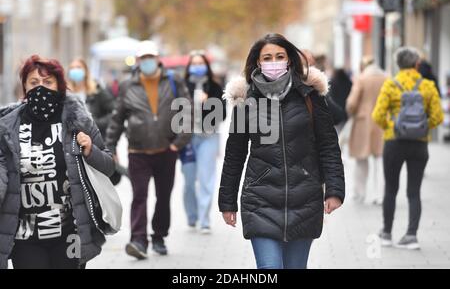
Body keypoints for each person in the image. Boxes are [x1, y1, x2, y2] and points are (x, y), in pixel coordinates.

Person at [219, 33, 345, 269]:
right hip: (260, 200)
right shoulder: (246, 102)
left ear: (289, 60)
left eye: (279, 56)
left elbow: (328, 145)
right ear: (258, 62)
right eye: (267, 57)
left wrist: (334, 189)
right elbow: (234, 155)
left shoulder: (310, 96)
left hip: (304, 200)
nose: (273, 62)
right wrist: (227, 202)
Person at [0, 55, 115, 269]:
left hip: (69, 234)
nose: (40, 88)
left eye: (48, 82)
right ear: (24, 87)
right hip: (25, 237)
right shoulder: (7, 128)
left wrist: (91, 150)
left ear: (59, 86)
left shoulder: (77, 121)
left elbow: (109, 167)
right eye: (33, 83)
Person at [105, 40, 192, 259]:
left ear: (157, 59)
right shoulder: (127, 86)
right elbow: (117, 120)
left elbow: (188, 113)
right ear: (137, 61)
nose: (147, 62)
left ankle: (160, 236)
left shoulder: (174, 81)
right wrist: (110, 147)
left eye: (150, 57)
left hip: (166, 150)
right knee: (139, 197)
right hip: (138, 152)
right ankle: (138, 240)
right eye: (143, 58)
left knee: (163, 197)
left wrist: (178, 143)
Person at [372, 47, 444, 250]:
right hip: (419, 145)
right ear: (417, 64)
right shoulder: (428, 86)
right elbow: (438, 117)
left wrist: (393, 127)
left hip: (394, 143)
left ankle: (386, 233)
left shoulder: (390, 85)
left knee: (391, 189)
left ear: (398, 64)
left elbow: (377, 115)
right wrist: (421, 128)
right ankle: (411, 235)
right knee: (414, 191)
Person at [181, 51, 226, 234]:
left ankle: (205, 219)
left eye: (201, 63)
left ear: (206, 66)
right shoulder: (182, 85)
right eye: (194, 63)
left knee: (206, 178)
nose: (197, 66)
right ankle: (192, 216)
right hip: (188, 138)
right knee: (189, 180)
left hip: (209, 137)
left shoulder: (215, 85)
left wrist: (209, 103)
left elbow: (222, 114)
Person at [67, 58, 126, 185]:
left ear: (86, 71)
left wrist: (96, 123)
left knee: (102, 184)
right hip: (75, 146)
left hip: (97, 143)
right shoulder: (66, 93)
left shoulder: (96, 90)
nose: (75, 71)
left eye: (78, 67)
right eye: (72, 68)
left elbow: (115, 112)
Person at [346, 57, 387, 205]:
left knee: (361, 159)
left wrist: (351, 111)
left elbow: (352, 102)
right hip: (382, 121)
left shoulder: (361, 79)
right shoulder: (385, 78)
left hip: (364, 122)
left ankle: (359, 193)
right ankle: (380, 195)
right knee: (380, 159)